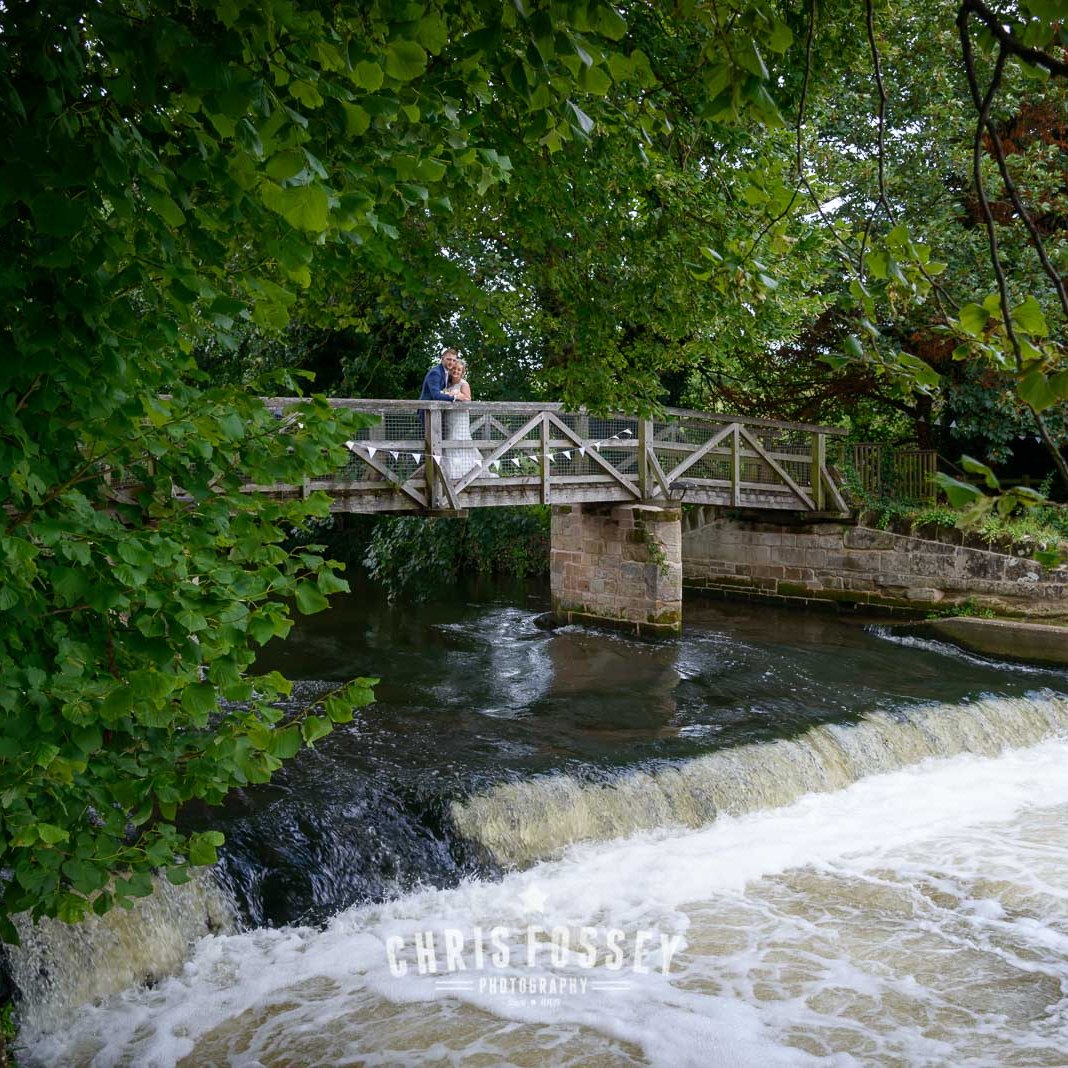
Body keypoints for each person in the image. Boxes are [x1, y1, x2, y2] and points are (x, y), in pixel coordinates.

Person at [443, 358, 482, 479]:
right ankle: (453, 472)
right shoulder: (448, 384)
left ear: (462, 372)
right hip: (450, 417)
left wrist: (456, 394)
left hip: (460, 417)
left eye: (459, 369)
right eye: (454, 368)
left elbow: (467, 399)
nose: (456, 371)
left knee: (459, 439)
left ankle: (466, 473)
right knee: (450, 441)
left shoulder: (464, 384)